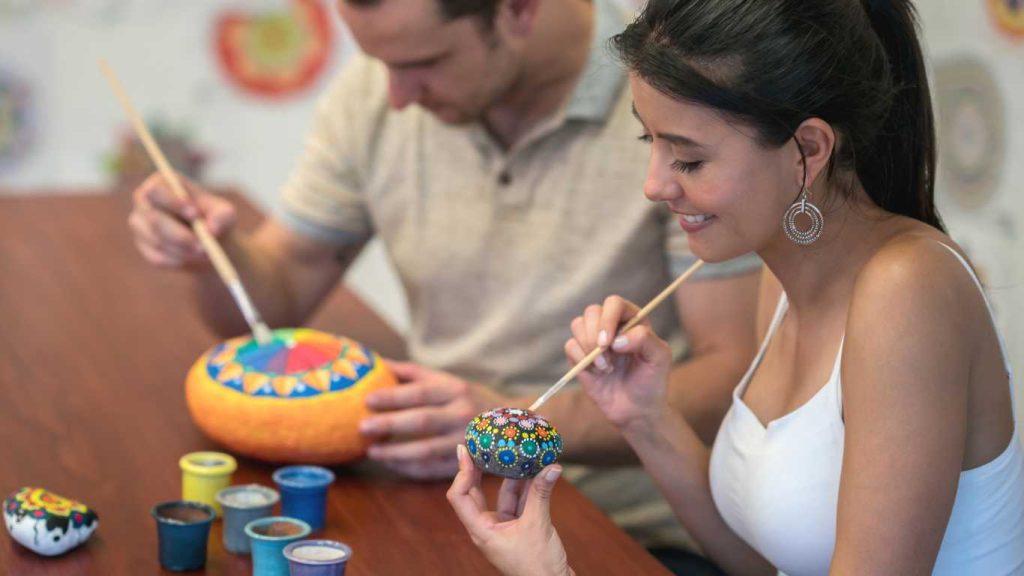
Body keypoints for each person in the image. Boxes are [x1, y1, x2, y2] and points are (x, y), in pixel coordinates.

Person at [127, 0, 762, 570]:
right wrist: (211, 252)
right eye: (380, 64)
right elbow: (273, 302)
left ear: (517, 11)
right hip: (440, 495)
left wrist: (505, 429)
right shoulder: (377, 92)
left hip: (629, 531)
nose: (398, 97)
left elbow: (735, 376)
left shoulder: (674, 107)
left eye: (423, 61)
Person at [447, 0, 1024, 574]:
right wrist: (644, 418)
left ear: (809, 151)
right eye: (652, 143)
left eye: (690, 160)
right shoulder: (779, 273)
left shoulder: (907, 291)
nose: (654, 186)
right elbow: (770, 566)